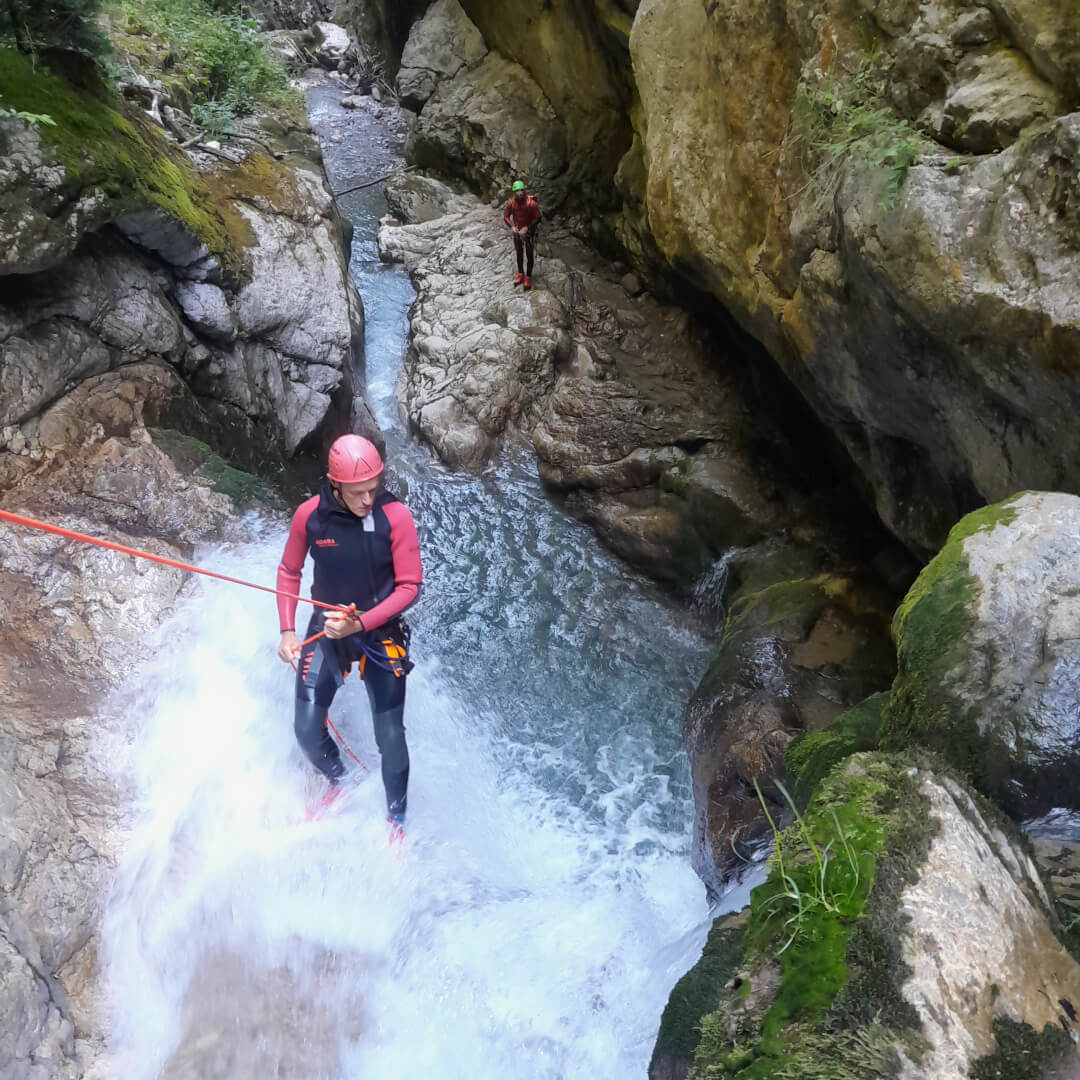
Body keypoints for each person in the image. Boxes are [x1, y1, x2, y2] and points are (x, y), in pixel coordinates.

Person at [276, 434, 422, 833]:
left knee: (390, 733)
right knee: (306, 729)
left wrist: (360, 623)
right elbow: (289, 572)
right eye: (358, 493)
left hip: (380, 631)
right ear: (334, 484)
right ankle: (339, 782)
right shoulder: (310, 516)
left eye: (373, 489)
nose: (367, 501)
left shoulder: (397, 517)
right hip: (327, 627)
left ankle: (397, 821)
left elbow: (410, 586)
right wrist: (288, 631)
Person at [503, 179, 541, 290]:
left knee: (529, 254)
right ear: (514, 192)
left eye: (521, 190)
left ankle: (528, 276)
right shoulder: (511, 203)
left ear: (524, 191)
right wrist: (512, 227)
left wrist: (527, 227)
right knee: (519, 253)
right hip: (517, 231)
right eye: (517, 190)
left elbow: (538, 217)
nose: (520, 192)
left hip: (529, 231)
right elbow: (505, 216)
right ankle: (520, 273)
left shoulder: (531, 203)